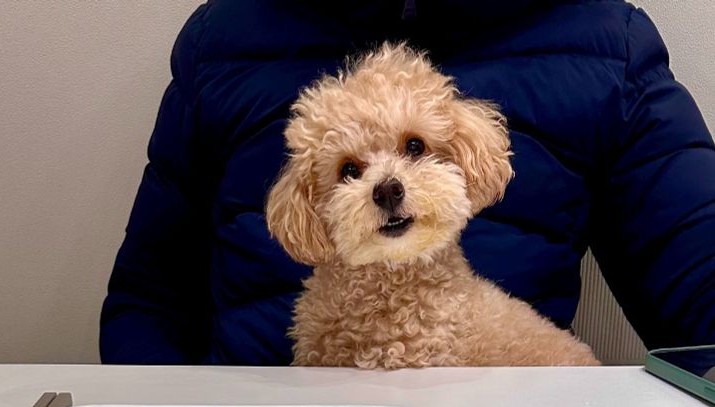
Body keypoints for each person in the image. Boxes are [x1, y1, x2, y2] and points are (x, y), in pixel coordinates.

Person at [99, 0, 715, 365]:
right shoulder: (224, 41)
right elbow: (150, 298)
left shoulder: (605, 45)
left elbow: (700, 274)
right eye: (349, 171)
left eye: (416, 149)